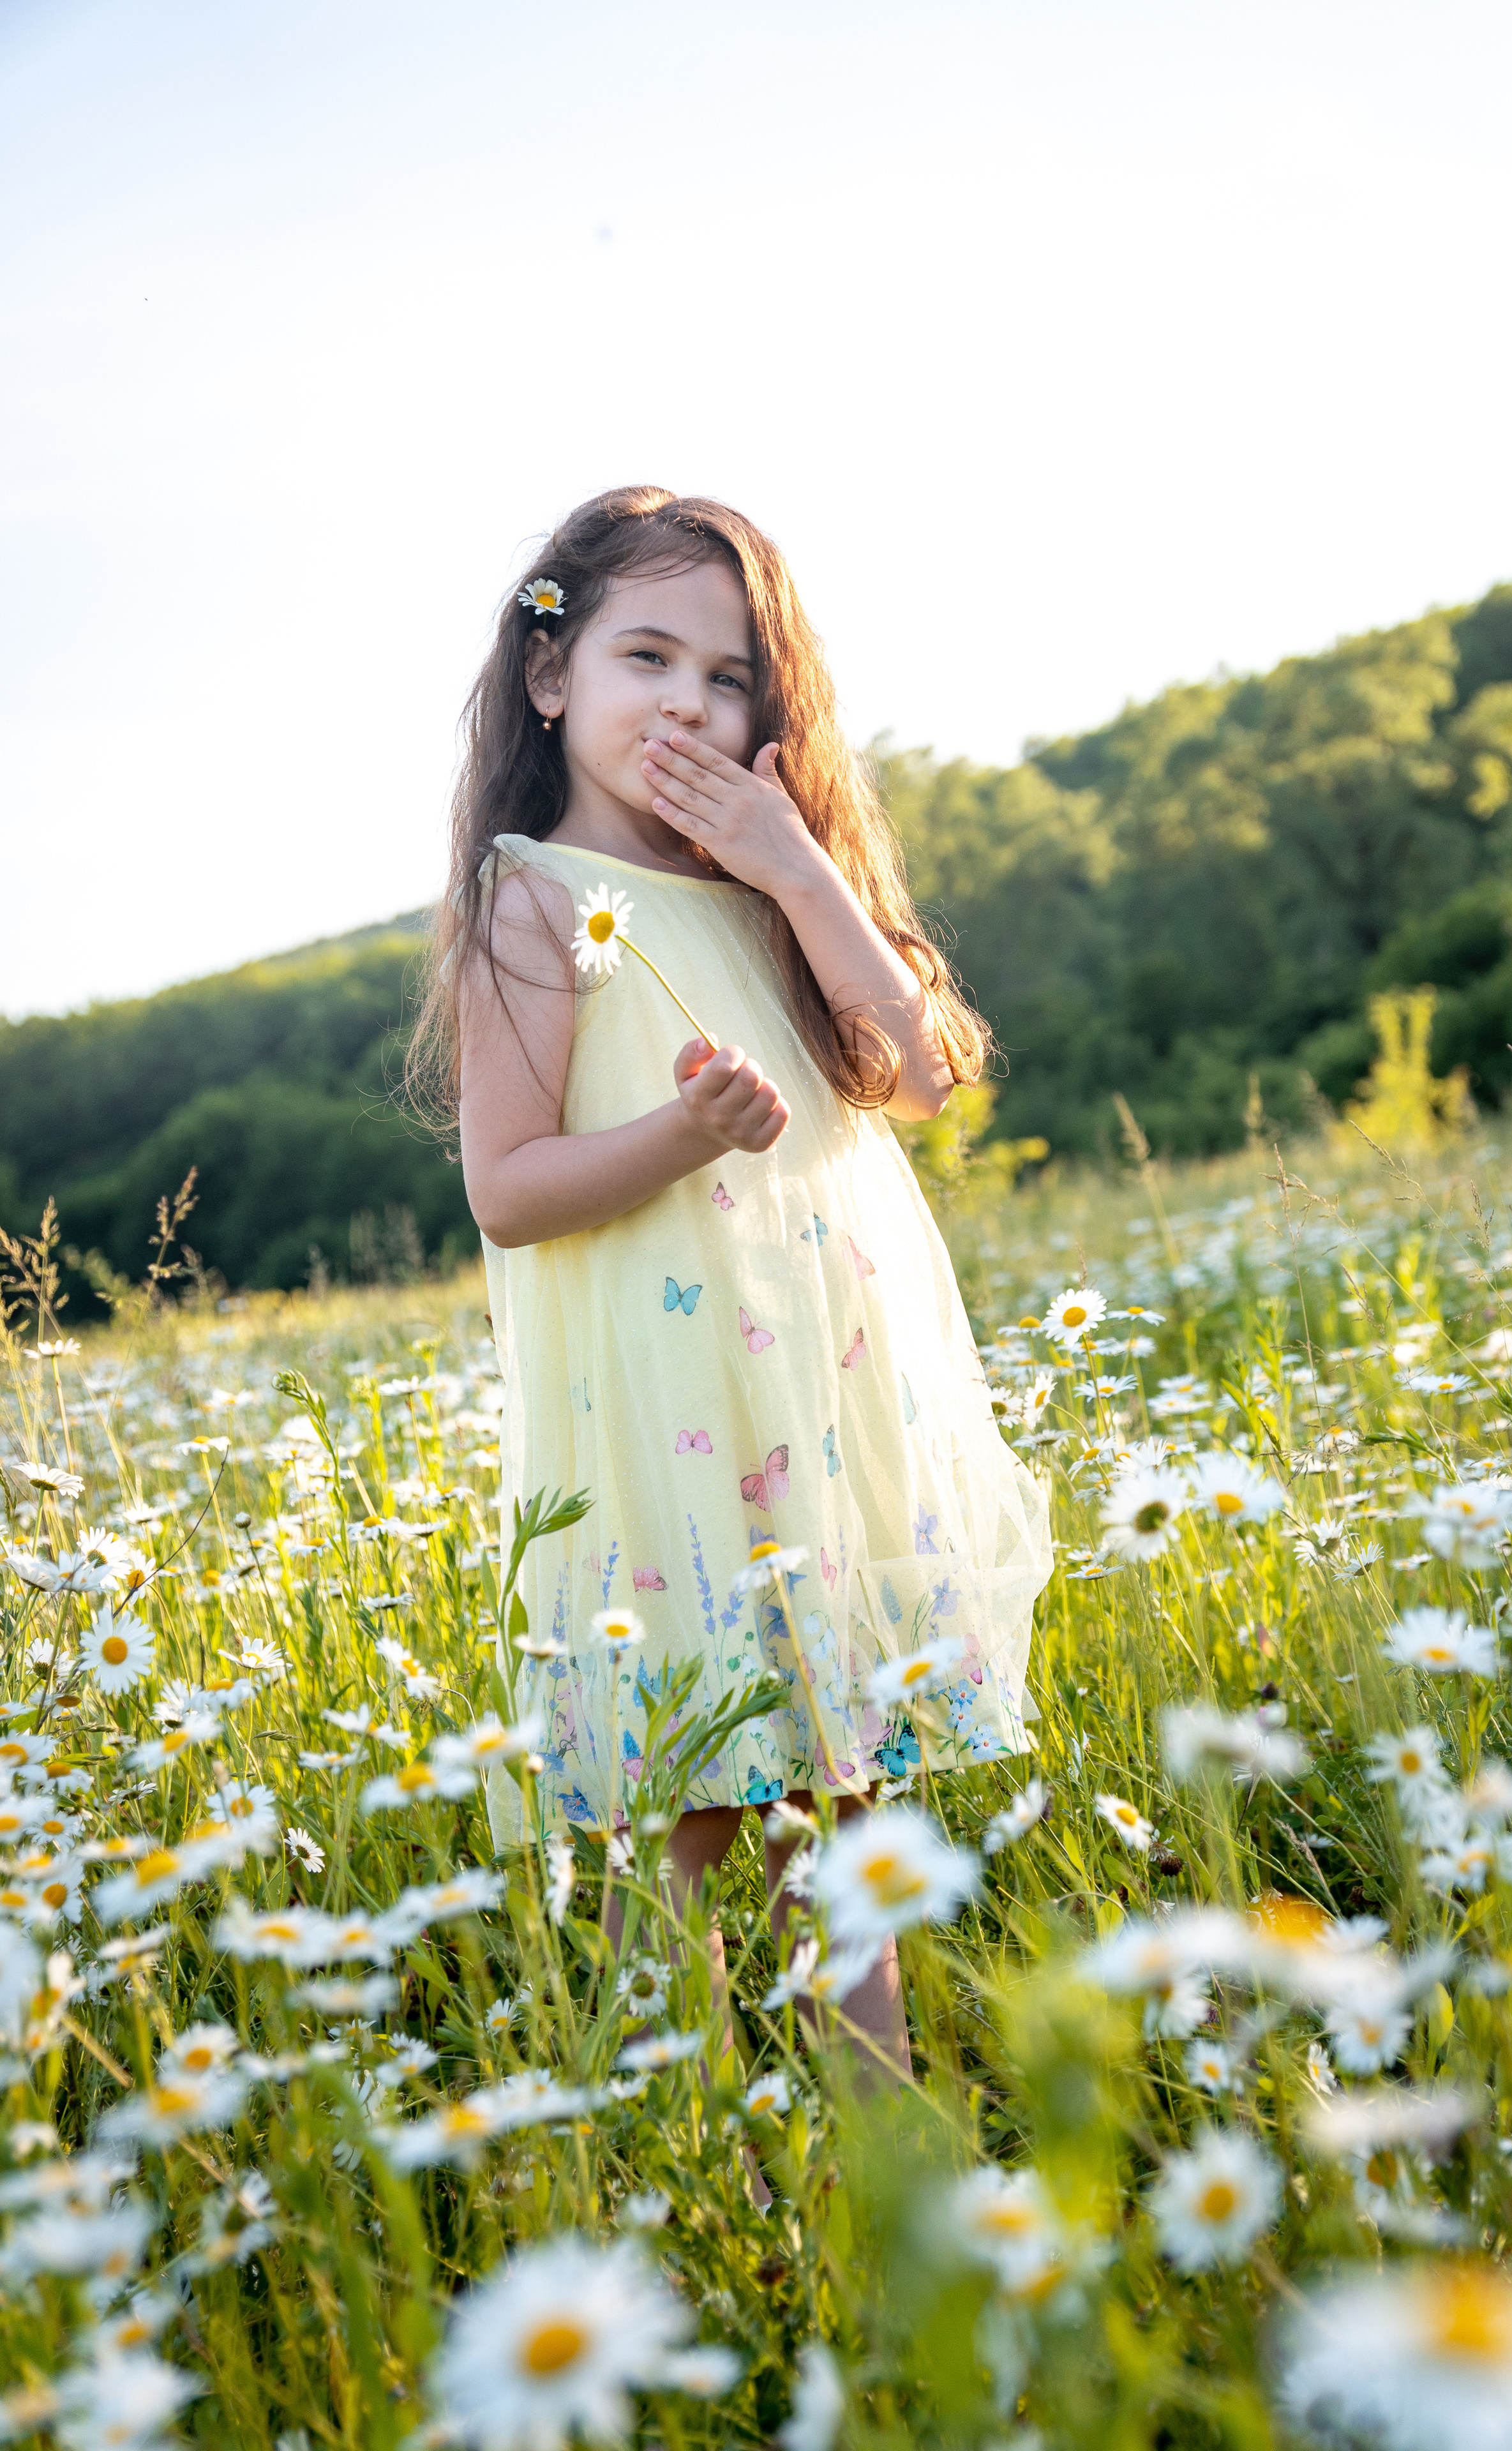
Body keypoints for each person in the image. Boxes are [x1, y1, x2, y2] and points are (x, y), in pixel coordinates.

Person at [410, 486, 1052, 2077]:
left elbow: (920, 1073)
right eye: (646, 659)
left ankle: (874, 2153)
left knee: (841, 1803)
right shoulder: (542, 900)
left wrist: (788, 859)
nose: (689, 705)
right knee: (694, 1809)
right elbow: (507, 1189)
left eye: (728, 676)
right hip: (669, 1422)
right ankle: (680, 2158)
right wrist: (677, 1130)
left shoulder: (765, 883)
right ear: (552, 680)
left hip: (818, 1407)